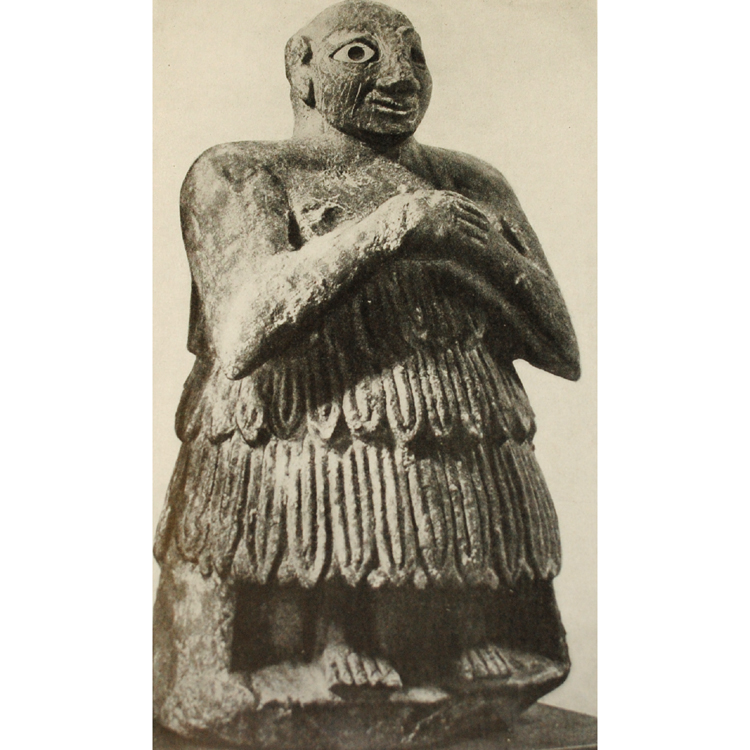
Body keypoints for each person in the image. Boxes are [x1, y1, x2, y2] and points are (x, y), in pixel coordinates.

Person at [153, 0, 580, 737]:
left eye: (414, 56)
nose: (400, 76)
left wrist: (470, 245)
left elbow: (559, 347)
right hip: (304, 438)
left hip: (454, 441)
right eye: (360, 54)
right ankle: (327, 639)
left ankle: (451, 635)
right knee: (334, 509)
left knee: (442, 513)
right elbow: (244, 330)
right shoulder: (241, 170)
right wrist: (395, 228)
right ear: (303, 69)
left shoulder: (471, 182)